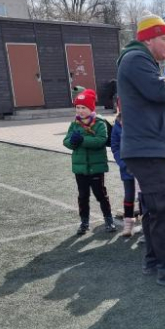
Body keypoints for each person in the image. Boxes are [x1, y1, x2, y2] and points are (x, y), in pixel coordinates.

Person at [117, 14, 165, 288]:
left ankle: (154, 260)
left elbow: (149, 103)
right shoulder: (136, 59)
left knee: (153, 208)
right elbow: (157, 90)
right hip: (147, 150)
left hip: (147, 148)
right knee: (164, 209)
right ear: (148, 39)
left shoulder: (139, 60)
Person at [62, 89, 117, 236]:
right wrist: (72, 142)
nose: (80, 111)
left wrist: (82, 140)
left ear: (91, 108)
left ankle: (108, 218)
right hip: (80, 168)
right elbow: (66, 141)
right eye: (78, 108)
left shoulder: (99, 123)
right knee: (83, 196)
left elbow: (101, 140)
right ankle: (84, 221)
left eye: (83, 107)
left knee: (100, 194)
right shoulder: (74, 124)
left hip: (96, 167)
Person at [110, 102, 139, 238]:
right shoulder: (116, 125)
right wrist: (122, 163)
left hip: (141, 167)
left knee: (144, 196)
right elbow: (115, 147)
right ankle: (128, 224)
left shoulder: (140, 120)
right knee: (129, 195)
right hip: (126, 168)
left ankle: (147, 223)